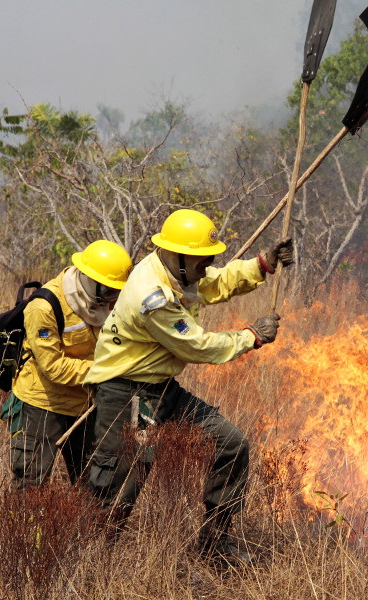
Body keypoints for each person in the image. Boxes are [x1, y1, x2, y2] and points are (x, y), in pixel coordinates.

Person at [83, 208, 292, 565]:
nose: (205, 267)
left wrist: (262, 265)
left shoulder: (175, 271)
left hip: (162, 389)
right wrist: (251, 336)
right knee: (122, 487)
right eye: (200, 262)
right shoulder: (152, 295)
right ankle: (88, 564)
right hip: (127, 395)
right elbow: (195, 345)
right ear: (177, 256)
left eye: (208, 260)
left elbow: (213, 283)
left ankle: (214, 547)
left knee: (231, 444)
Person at [2, 240, 133, 489]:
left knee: (94, 484)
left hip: (87, 403)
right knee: (31, 484)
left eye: (117, 292)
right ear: (87, 278)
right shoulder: (44, 307)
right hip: (42, 405)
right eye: (107, 290)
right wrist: (107, 372)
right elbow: (53, 366)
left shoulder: (108, 302)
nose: (112, 298)